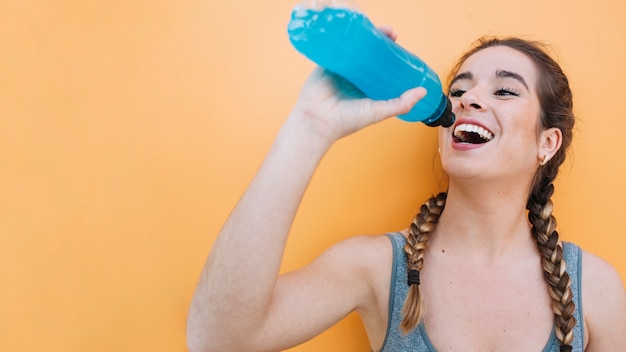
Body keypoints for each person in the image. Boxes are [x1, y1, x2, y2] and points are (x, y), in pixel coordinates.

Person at [186, 31, 626, 351]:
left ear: (547, 143)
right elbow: (216, 340)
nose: (468, 99)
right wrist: (309, 127)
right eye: (459, 89)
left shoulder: (596, 290)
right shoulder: (375, 268)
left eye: (505, 90)